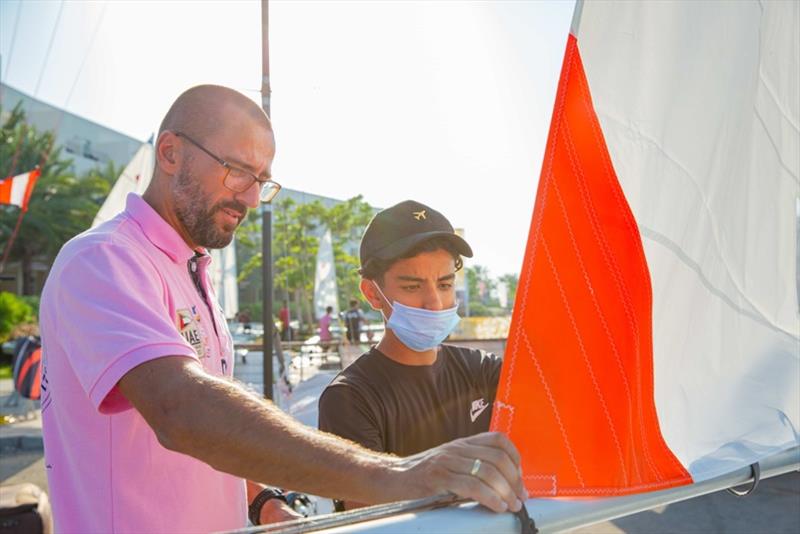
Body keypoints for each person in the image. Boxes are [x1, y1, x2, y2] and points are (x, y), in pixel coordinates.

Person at [39, 85, 525, 533]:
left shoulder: (191, 272)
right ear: (170, 153)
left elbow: (219, 431)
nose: (251, 198)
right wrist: (400, 472)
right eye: (237, 171)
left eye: (262, 181)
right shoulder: (103, 259)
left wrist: (265, 503)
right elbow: (180, 408)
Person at [318, 200, 504, 510]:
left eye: (445, 284)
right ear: (373, 293)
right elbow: (369, 519)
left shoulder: (483, 370)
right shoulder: (349, 399)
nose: (435, 302)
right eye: (412, 286)